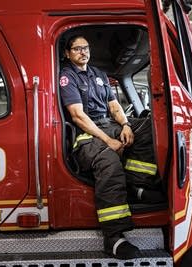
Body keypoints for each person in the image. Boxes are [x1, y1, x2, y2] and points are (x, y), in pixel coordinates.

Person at [59, 35, 141, 259]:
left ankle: (140, 187)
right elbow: (78, 116)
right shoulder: (67, 77)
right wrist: (109, 141)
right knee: (109, 160)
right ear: (67, 53)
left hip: (109, 125)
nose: (83, 52)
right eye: (77, 49)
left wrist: (125, 125)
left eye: (85, 48)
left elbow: (114, 106)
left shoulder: (99, 75)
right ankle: (114, 237)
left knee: (144, 133)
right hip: (86, 135)